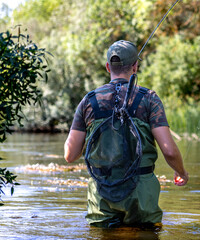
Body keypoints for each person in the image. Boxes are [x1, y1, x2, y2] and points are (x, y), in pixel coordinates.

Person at [64, 40, 189, 228]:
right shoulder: (149, 99)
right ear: (135, 66)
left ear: (108, 67)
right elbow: (169, 152)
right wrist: (182, 172)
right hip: (141, 194)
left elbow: (70, 155)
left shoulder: (88, 101)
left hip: (101, 193)